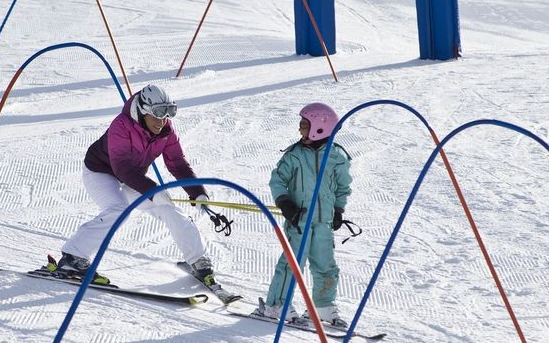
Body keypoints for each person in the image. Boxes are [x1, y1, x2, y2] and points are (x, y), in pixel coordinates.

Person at [43, 84, 216, 286]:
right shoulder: (121, 125)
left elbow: (177, 163)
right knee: (118, 208)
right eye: (157, 114)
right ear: (143, 111)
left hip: (133, 176)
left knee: (167, 208)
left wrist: (198, 192)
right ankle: (73, 257)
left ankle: (197, 260)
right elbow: (122, 168)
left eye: (167, 114)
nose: (161, 121)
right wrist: (153, 191)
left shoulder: (166, 130)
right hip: (101, 171)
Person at [254, 102, 352, 327]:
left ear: (320, 127)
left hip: (323, 223)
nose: (300, 130)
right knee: (291, 264)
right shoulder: (295, 155)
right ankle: (276, 305)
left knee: (326, 266)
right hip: (299, 220)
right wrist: (285, 203)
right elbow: (277, 180)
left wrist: (338, 210)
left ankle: (323, 307)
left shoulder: (337, 157)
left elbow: (342, 187)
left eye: (304, 125)